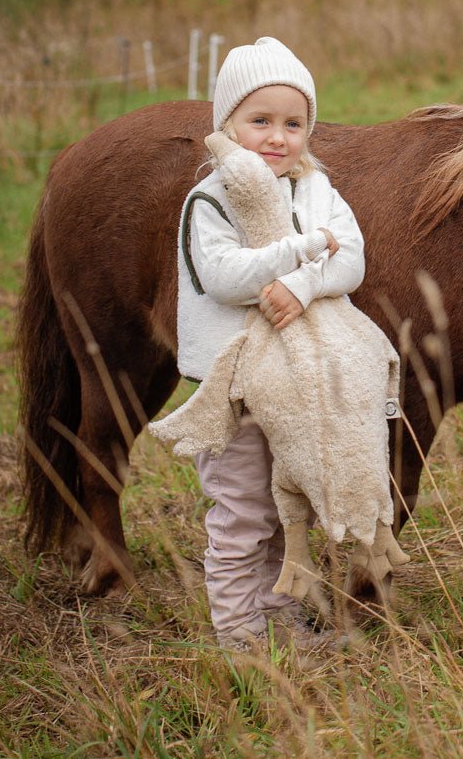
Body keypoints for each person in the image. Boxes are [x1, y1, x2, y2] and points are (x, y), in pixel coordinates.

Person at [176, 36, 366, 651]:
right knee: (242, 514)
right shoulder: (211, 199)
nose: (277, 137)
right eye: (260, 121)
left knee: (290, 505)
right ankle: (239, 636)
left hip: (293, 381)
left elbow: (352, 259)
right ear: (226, 124)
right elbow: (226, 278)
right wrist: (301, 252)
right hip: (233, 385)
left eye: (294, 123)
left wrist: (303, 282)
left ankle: (281, 620)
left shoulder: (315, 189)